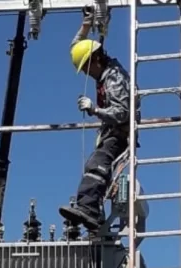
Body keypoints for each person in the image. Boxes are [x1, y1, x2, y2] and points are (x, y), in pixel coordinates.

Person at [58, 10, 138, 232]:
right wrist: (85, 26)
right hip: (110, 131)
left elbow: (122, 112)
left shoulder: (114, 78)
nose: (85, 73)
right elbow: (77, 47)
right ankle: (89, 211)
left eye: (86, 67)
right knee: (93, 164)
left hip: (121, 133)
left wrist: (94, 110)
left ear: (95, 60)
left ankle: (89, 208)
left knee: (97, 164)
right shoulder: (101, 67)